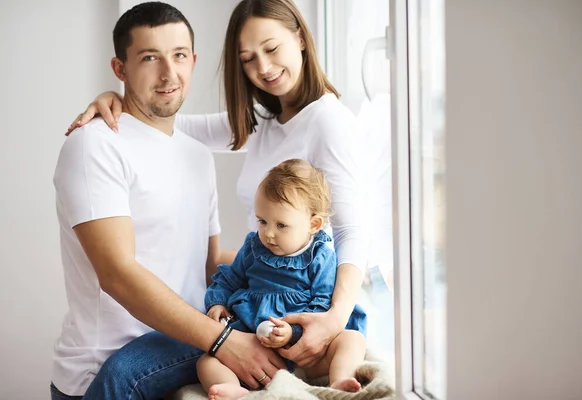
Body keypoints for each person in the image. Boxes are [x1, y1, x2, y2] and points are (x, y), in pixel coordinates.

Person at [67, 0, 367, 371]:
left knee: (127, 371)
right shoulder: (265, 120)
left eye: (272, 49)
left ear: (301, 39)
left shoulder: (327, 120)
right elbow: (163, 121)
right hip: (261, 295)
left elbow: (352, 230)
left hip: (314, 300)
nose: (265, 68)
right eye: (248, 58)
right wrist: (117, 99)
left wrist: (335, 318)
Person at [52, 3, 284, 400]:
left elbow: (208, 265)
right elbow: (118, 275)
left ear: (193, 60)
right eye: (149, 58)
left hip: (184, 348)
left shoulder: (196, 154)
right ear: (120, 69)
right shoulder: (94, 145)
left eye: (178, 56)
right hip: (107, 370)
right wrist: (224, 340)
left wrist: (293, 263)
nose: (168, 73)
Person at [197, 159, 367, 400]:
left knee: (353, 340)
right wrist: (216, 303)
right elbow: (229, 279)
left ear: (313, 224)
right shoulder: (253, 247)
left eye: (281, 225)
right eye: (262, 221)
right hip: (254, 342)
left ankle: (339, 380)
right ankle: (233, 388)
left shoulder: (320, 257)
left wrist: (294, 332)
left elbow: (322, 303)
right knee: (207, 361)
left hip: (309, 353)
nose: (269, 233)